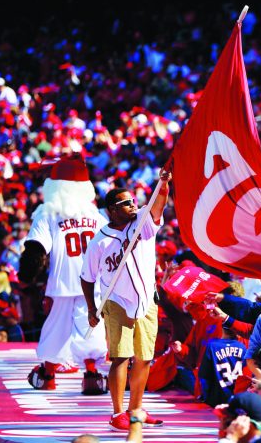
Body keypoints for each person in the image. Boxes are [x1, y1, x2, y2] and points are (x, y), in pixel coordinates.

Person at [81, 170, 172, 431]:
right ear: (112, 210)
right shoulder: (99, 241)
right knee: (121, 357)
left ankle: (136, 409)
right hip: (117, 300)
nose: (133, 204)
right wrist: (91, 308)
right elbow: (87, 277)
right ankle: (117, 412)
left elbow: (159, 202)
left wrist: (163, 183)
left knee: (144, 358)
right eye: (126, 203)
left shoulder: (142, 222)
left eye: (133, 200)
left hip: (146, 301)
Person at [20, 155, 108, 393]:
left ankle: (47, 375)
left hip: (62, 281)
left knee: (56, 328)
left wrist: (26, 276)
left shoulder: (47, 213)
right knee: (90, 327)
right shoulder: (96, 216)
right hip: (93, 282)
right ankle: (92, 374)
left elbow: (36, 248)